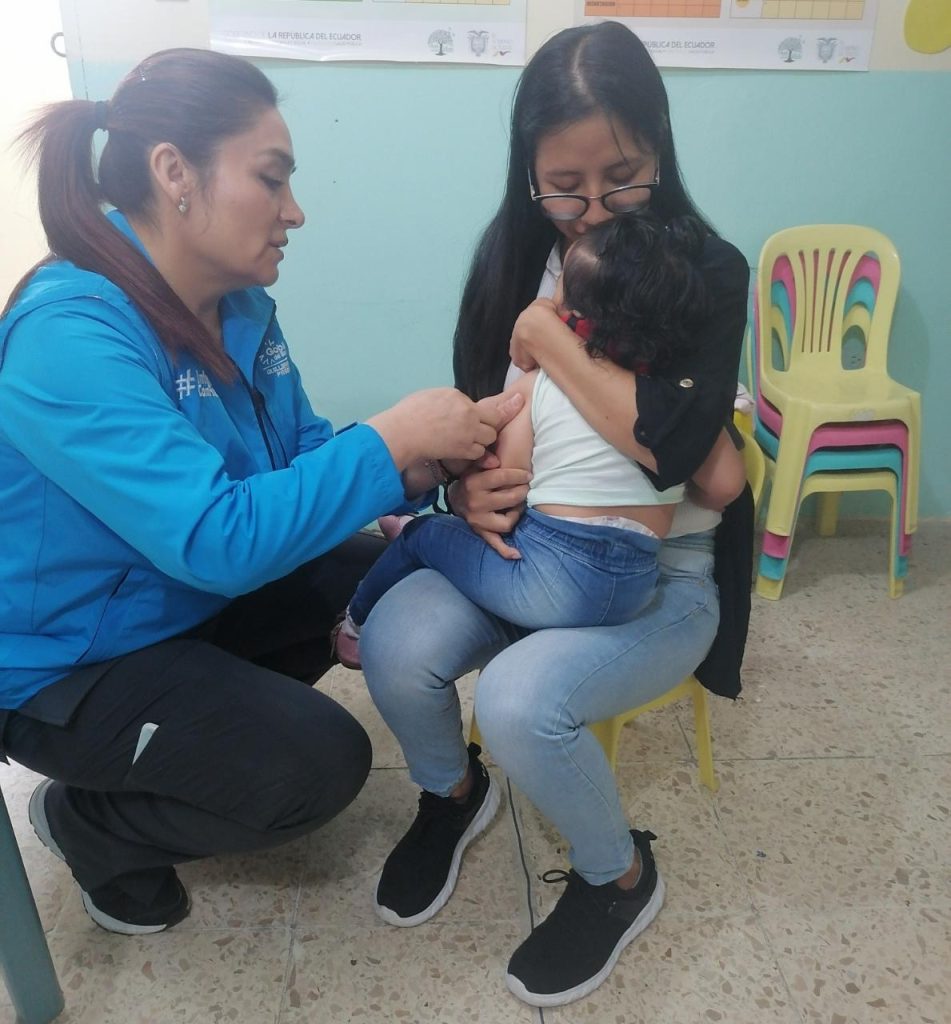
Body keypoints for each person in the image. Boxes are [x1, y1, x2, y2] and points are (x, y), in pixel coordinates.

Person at [0, 48, 520, 936]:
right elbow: (214, 537)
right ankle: (88, 823)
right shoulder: (71, 335)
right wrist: (389, 438)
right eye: (271, 179)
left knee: (380, 575)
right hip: (68, 663)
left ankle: (206, 748)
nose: (294, 212)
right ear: (176, 175)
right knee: (317, 766)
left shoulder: (238, 304)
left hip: (172, 601)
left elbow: (301, 451)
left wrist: (413, 484)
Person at [358, 20, 753, 1008]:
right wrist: (465, 487)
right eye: (563, 186)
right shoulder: (507, 264)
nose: (589, 213)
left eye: (621, 178)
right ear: (526, 171)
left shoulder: (701, 271)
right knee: (394, 644)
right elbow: (475, 420)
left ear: (659, 148)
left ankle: (619, 873)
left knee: (521, 699)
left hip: (655, 580)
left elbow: (677, 448)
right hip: (524, 544)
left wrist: (548, 336)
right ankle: (454, 792)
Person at [330, 213, 745, 668]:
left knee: (423, 534)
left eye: (560, 283)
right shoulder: (675, 417)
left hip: (550, 585)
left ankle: (354, 626)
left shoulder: (539, 387)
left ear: (573, 319)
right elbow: (725, 486)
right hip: (637, 586)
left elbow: (506, 491)